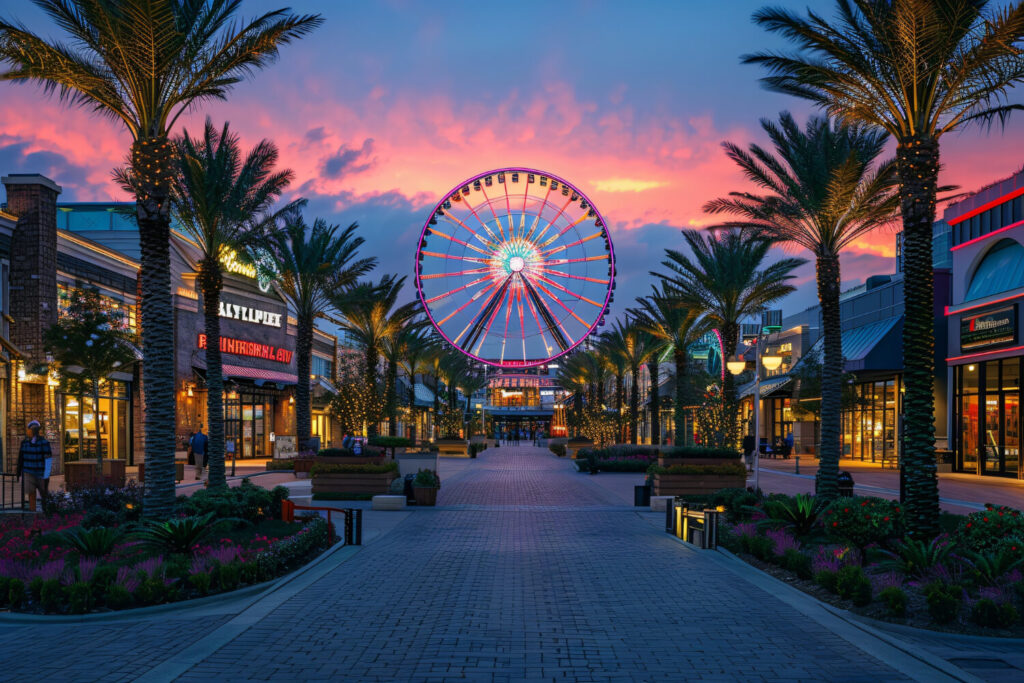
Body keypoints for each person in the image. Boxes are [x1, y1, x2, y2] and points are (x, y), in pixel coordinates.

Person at [17, 419, 51, 510]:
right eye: (31, 429)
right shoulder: (25, 443)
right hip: (28, 471)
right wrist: (18, 472)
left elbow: (48, 459)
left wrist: (47, 474)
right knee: (31, 493)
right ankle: (33, 511)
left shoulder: (44, 443)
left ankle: (46, 511)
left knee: (44, 493)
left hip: (40, 472)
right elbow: (21, 458)